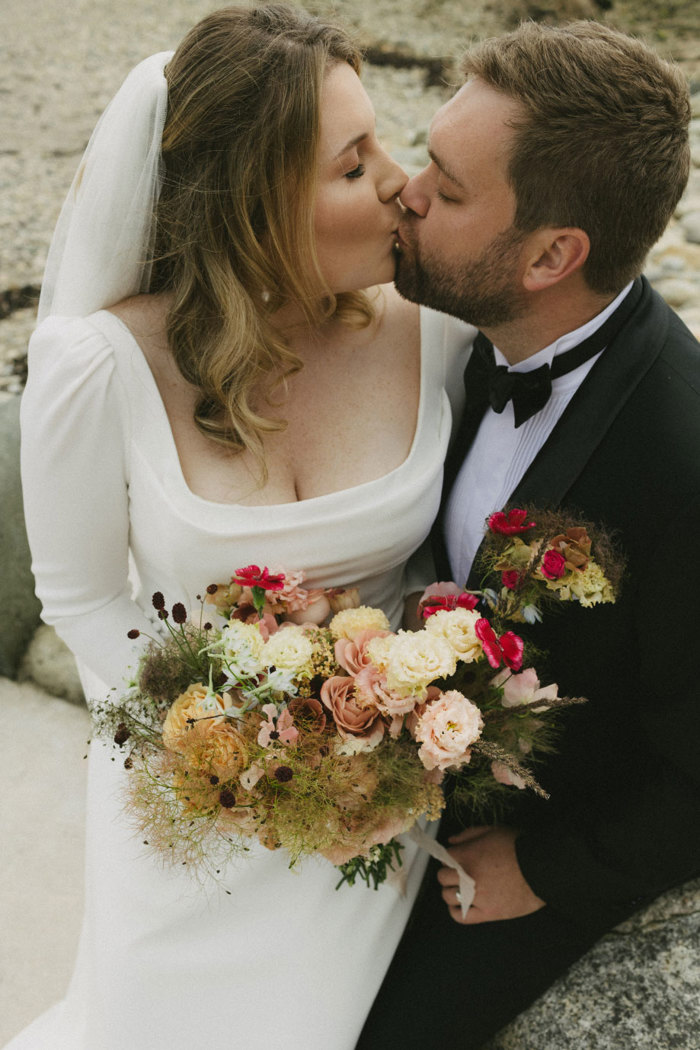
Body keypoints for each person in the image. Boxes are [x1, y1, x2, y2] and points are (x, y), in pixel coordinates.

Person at [9, 6, 473, 1049]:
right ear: (252, 206)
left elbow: (465, 564)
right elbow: (81, 597)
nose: (403, 182)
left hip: (376, 814)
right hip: (191, 809)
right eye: (353, 166)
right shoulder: (96, 366)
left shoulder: (438, 332)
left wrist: (363, 739)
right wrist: (228, 746)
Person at [357, 19, 700, 1050]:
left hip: (529, 851)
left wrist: (542, 870)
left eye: (450, 191)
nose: (406, 192)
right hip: (391, 792)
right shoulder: (465, 333)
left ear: (553, 255)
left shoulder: (677, 461)